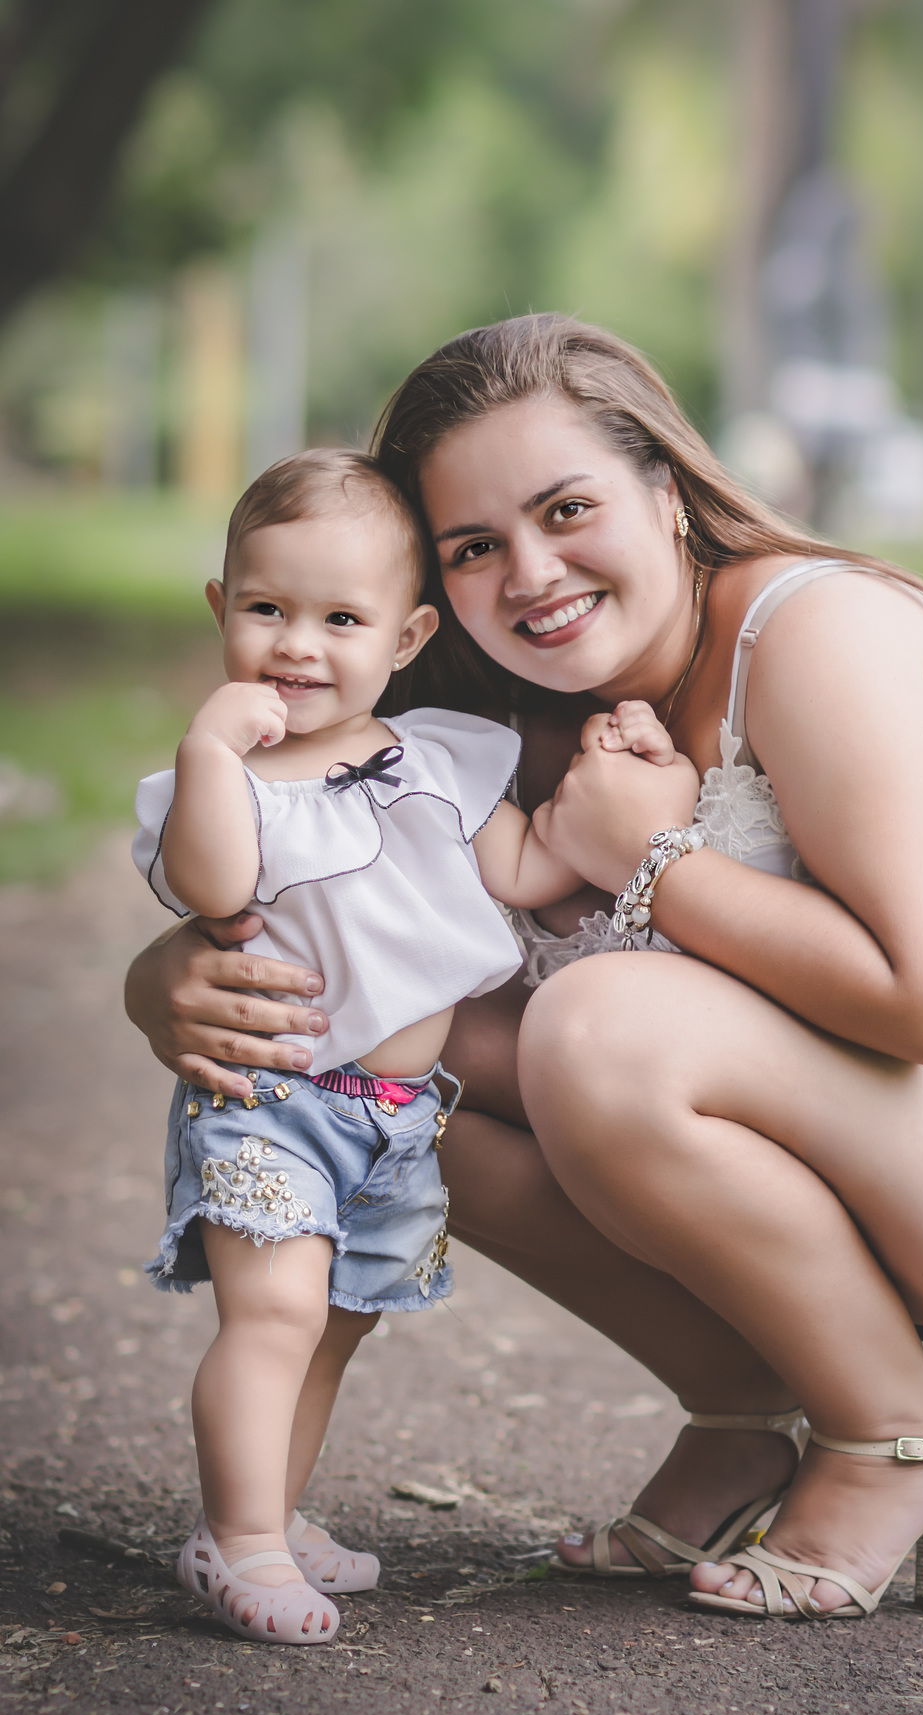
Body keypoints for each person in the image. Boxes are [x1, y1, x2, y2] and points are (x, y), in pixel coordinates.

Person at [126, 318, 923, 1626]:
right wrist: (167, 973)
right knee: (396, 1088)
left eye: (567, 508)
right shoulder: (499, 723)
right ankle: (747, 1404)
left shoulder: (813, 635)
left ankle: (902, 1425)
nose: (532, 572)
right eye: (473, 545)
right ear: (427, 593)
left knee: (598, 1027)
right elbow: (334, 912)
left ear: (669, 489)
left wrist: (650, 858)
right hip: (900, 1136)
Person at [132, 445, 683, 1644]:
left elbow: (533, 868)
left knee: (332, 1322)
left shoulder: (434, 756)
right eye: (268, 609)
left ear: (405, 634)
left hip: (393, 1113)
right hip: (270, 1101)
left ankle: (271, 1505)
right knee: (272, 1316)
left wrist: (631, 778)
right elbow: (211, 884)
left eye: (341, 617)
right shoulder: (224, 787)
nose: (298, 645)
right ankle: (240, 1540)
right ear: (224, 608)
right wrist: (211, 753)